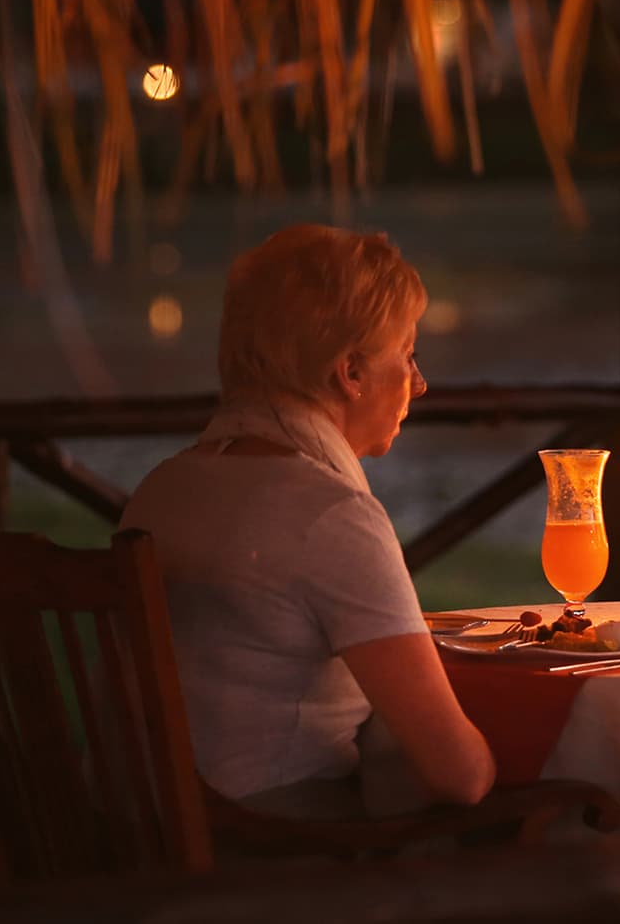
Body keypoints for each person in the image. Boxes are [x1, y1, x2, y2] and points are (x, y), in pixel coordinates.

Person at [121, 224, 495, 817]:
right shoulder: (329, 516)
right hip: (278, 859)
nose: (417, 384)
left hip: (138, 837)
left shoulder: (161, 488)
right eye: (406, 355)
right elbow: (460, 775)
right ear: (351, 372)